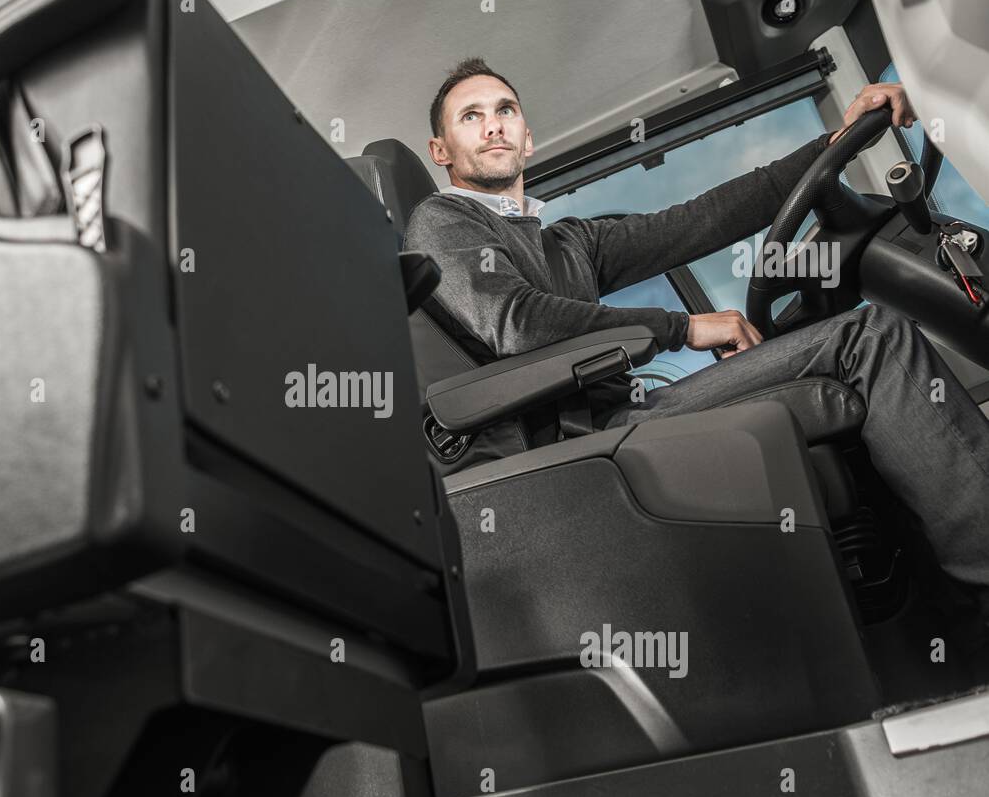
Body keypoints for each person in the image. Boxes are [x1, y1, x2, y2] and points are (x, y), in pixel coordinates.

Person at [403, 57, 989, 626]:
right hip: (576, 440)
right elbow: (518, 324)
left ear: (528, 138)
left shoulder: (568, 241)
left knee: (848, 346)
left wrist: (836, 141)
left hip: (628, 415)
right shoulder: (444, 221)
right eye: (470, 116)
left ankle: (936, 609)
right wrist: (682, 327)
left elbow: (703, 218)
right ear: (441, 151)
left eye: (505, 109)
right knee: (871, 339)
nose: (493, 124)